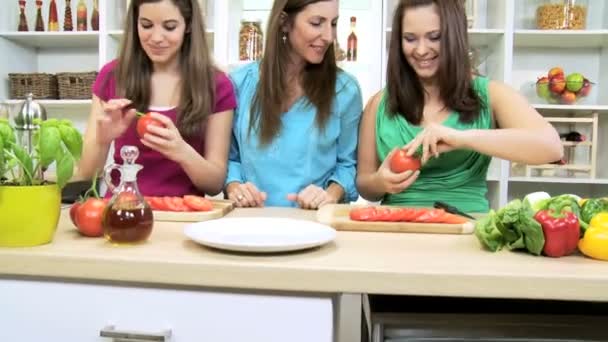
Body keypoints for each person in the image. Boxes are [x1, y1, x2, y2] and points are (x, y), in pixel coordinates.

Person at [356, 0, 563, 213]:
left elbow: (551, 147)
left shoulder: (490, 94)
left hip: (466, 224)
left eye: (434, 37)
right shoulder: (379, 103)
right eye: (410, 39)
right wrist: (380, 183)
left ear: (455, 37)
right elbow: (364, 185)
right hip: (396, 226)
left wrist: (462, 138)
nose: (421, 50)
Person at [78, 0, 236, 197]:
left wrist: (182, 152)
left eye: (170, 27)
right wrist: (102, 140)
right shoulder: (112, 75)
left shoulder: (217, 85)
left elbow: (215, 184)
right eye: (146, 25)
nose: (156, 37)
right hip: (124, 211)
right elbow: (86, 173)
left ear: (188, 26)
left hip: (182, 215)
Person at [225, 0, 363, 209]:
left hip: (315, 225)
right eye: (317, 23)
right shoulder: (239, 84)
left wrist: (329, 195)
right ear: (284, 23)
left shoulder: (345, 91)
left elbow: (348, 165)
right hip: (250, 223)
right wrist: (235, 188)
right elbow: (229, 159)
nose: (328, 36)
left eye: (333, 24)